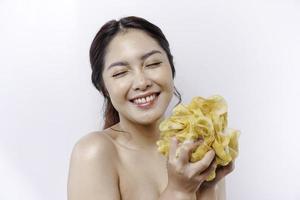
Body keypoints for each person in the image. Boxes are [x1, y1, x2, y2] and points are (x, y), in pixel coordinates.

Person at [67, 16, 234, 200]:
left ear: (171, 68)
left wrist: (208, 186)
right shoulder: (94, 152)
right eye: (121, 72)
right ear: (104, 88)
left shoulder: (193, 146)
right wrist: (180, 191)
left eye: (153, 64)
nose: (142, 82)